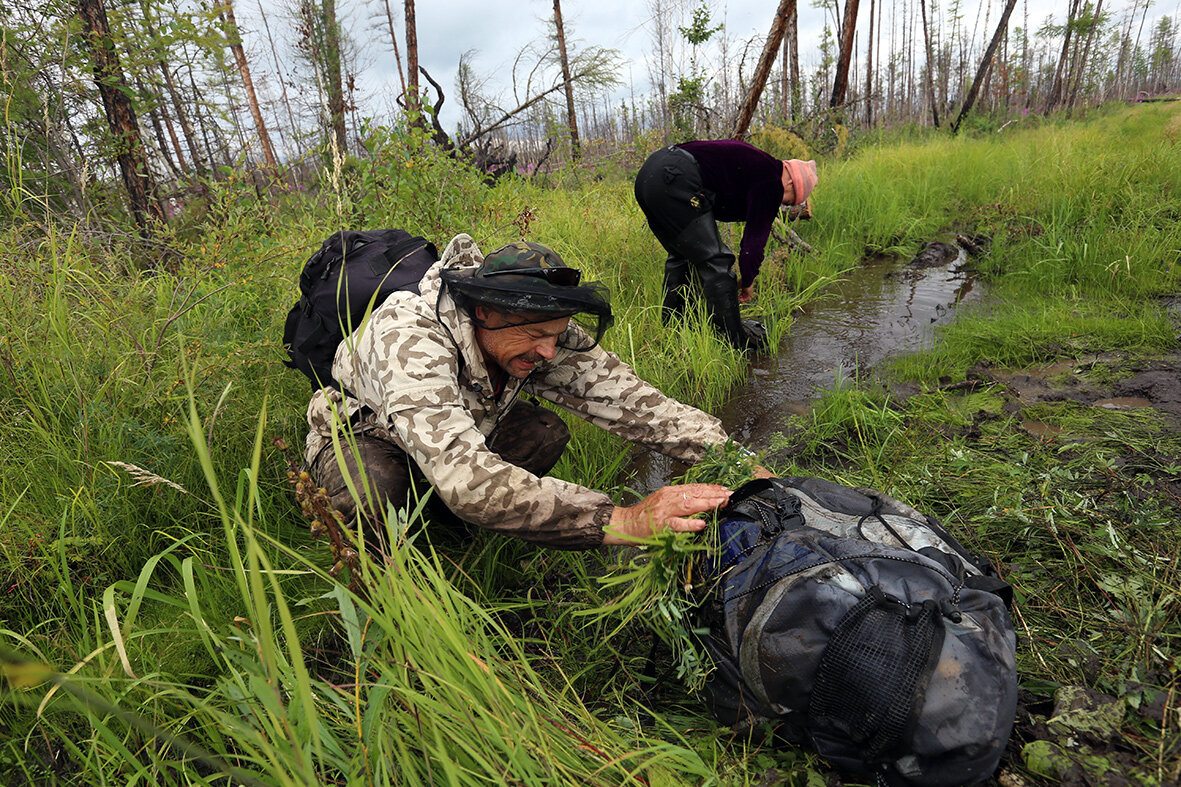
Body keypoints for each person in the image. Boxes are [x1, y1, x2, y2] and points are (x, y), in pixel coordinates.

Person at [302, 234, 766, 552]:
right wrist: (621, 521)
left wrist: (735, 462)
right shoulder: (409, 335)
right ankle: (381, 592)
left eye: (557, 334)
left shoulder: (535, 333)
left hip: (461, 433)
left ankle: (455, 528)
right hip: (367, 437)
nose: (548, 351)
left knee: (543, 431)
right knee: (373, 491)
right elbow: (464, 475)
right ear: (485, 313)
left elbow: (636, 405)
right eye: (535, 336)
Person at [634, 140, 818, 350]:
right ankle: (734, 344)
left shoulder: (758, 162)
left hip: (649, 176)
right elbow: (753, 245)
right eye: (788, 201)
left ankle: (673, 333)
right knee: (717, 263)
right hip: (675, 176)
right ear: (791, 183)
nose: (781, 204)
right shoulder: (771, 181)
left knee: (681, 256)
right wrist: (748, 281)